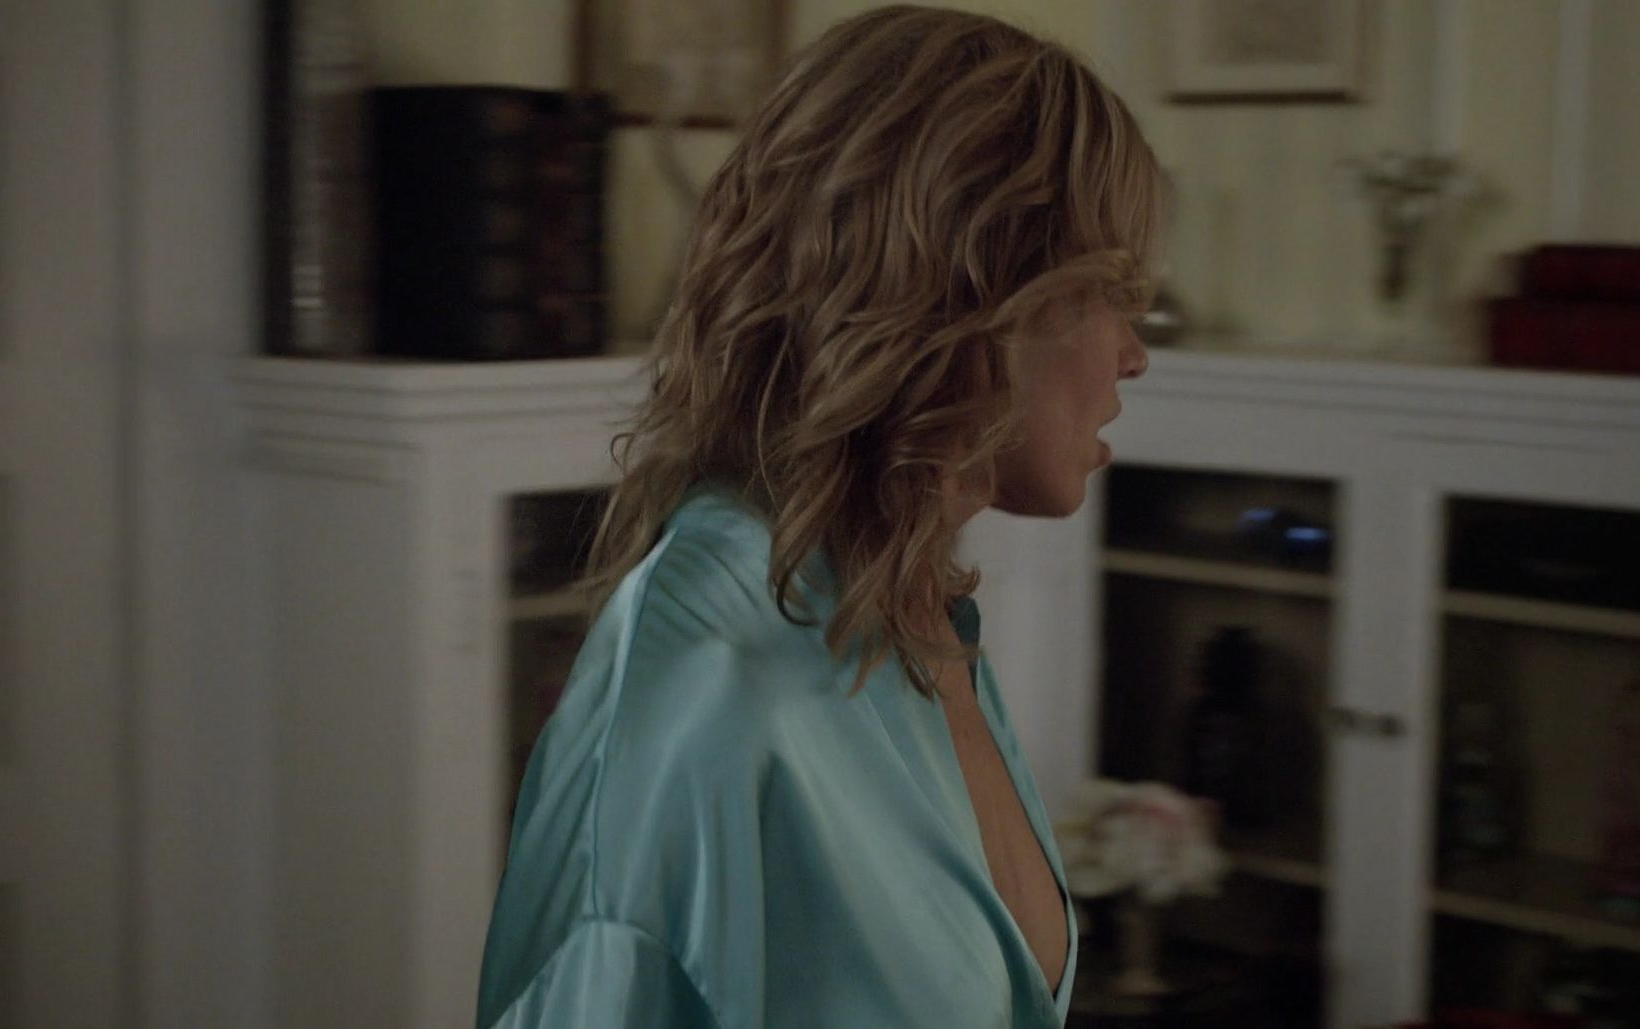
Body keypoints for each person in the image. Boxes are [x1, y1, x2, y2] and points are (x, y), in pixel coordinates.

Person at [476, 6, 1161, 1026]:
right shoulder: (706, 687)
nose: (1134, 354)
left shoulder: (921, 619)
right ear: (965, 293)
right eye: (1109, 290)